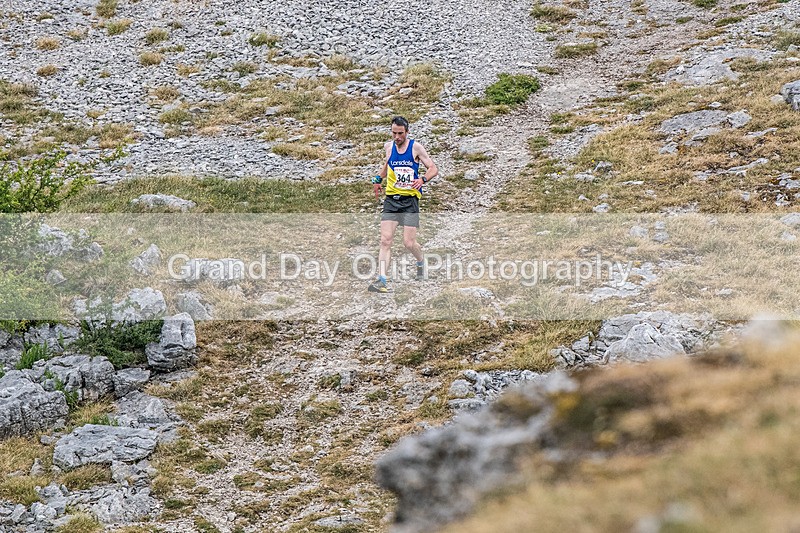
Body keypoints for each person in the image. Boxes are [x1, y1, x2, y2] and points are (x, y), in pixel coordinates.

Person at [368, 116, 438, 293]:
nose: (397, 137)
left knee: (408, 243)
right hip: (392, 199)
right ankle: (382, 280)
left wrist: (422, 179)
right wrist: (378, 179)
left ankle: (421, 262)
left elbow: (433, 168)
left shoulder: (416, 147)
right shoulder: (389, 147)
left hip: (410, 202)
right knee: (385, 240)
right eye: (394, 133)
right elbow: (388, 164)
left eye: (400, 133)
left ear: (407, 132)